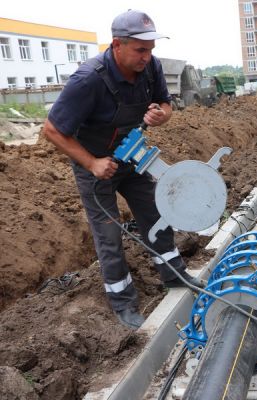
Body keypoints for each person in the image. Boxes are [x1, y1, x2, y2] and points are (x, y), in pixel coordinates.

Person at [43, 10, 201, 330]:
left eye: (151, 49)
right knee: (109, 232)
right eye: (140, 50)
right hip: (96, 164)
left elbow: (165, 104)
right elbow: (52, 130)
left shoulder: (151, 67)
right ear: (117, 45)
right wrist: (91, 163)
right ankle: (122, 301)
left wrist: (163, 114)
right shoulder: (88, 80)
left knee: (155, 213)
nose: (148, 56)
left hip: (132, 155)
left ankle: (173, 274)